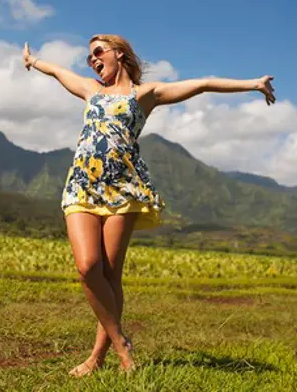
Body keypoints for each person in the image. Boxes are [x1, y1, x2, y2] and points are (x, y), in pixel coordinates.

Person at [22, 34, 276, 376]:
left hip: (123, 189)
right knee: (87, 267)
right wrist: (34, 62)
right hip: (82, 186)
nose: (93, 60)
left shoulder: (144, 95)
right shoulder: (89, 89)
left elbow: (201, 84)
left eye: (98, 52)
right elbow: (55, 71)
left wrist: (253, 84)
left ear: (120, 53)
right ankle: (122, 343)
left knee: (111, 275)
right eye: (89, 57)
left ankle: (98, 357)